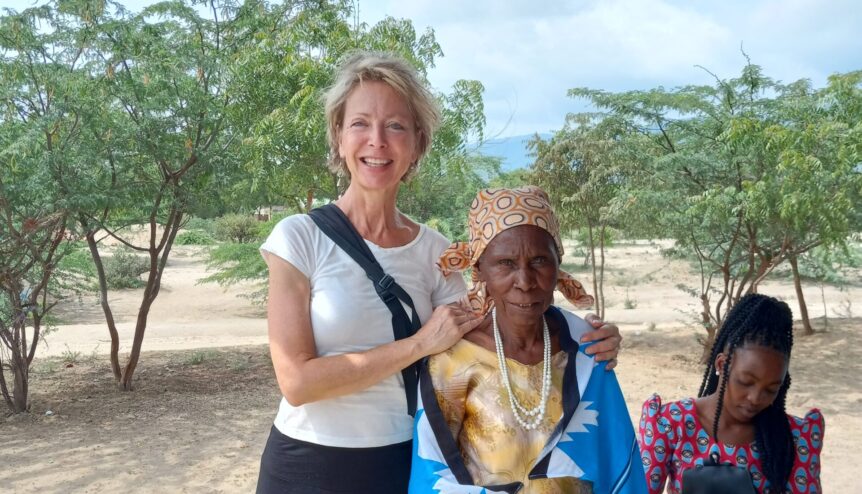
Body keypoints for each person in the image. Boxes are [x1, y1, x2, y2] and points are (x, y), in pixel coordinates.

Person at [256, 52, 623, 494]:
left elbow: (501, 323)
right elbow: (296, 383)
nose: (377, 141)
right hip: (308, 462)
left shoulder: (436, 253)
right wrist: (417, 345)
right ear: (338, 136)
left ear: (417, 143)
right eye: (360, 124)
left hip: (407, 461)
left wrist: (587, 339)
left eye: (395, 126)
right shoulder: (298, 239)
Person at [409, 186, 646, 494]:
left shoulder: (586, 351)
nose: (524, 281)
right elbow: (432, 473)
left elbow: (616, 461)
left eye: (539, 261)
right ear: (479, 269)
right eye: (505, 263)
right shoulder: (453, 360)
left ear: (557, 265)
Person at [638, 293, 824, 494]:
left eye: (771, 389)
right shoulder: (671, 423)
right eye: (745, 382)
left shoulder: (795, 439)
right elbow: (639, 490)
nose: (755, 398)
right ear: (722, 364)